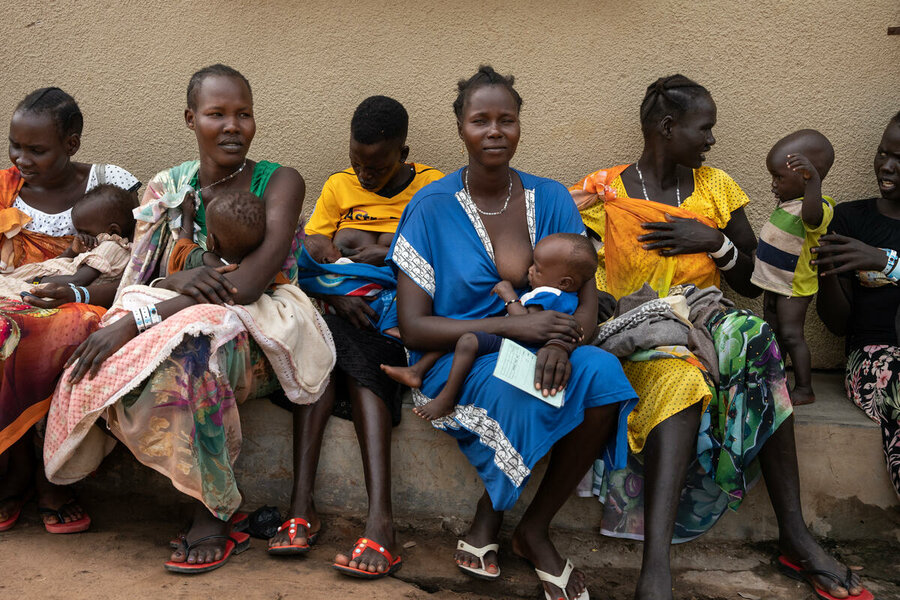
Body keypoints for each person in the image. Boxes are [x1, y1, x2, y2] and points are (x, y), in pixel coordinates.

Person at [571, 74, 869, 600]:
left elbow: (751, 280)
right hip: (637, 324)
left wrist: (714, 242)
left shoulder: (716, 188)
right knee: (680, 377)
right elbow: (571, 266)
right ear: (668, 127)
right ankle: (655, 570)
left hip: (706, 314)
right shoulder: (604, 191)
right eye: (704, 128)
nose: (712, 140)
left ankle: (795, 536)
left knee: (758, 340)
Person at [41, 64, 335, 574]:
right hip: (176, 312)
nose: (232, 126)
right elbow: (143, 274)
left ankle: (213, 513)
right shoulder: (166, 189)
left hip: (264, 324)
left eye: (243, 114)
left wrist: (151, 311)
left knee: (192, 359)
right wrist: (176, 284)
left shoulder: (280, 181)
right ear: (190, 118)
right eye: (216, 113)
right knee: (104, 354)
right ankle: (54, 486)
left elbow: (247, 286)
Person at [391, 65, 637, 600]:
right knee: (517, 391)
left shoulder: (550, 199)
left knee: (604, 373)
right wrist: (511, 325)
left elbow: (585, 295)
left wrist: (561, 342)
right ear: (461, 128)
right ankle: (490, 516)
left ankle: (534, 527)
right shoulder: (429, 209)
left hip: (545, 343)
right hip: (461, 359)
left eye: (507, 119)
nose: (495, 130)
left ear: (520, 125)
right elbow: (414, 325)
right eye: (481, 120)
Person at [268, 96, 442, 574]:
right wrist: (337, 291)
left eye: (378, 167)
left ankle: (380, 521)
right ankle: (301, 504)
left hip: (394, 311)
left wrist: (387, 256)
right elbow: (314, 248)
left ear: (403, 153)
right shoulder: (338, 187)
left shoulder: (432, 187)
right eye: (357, 162)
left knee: (360, 358)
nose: (364, 176)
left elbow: (441, 258)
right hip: (340, 301)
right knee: (319, 353)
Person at [0, 87, 139, 535]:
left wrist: (80, 291)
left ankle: (49, 477)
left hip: (88, 298)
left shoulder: (109, 182)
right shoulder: (5, 191)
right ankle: (15, 468)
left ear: (72, 144)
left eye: (36, 150)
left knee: (67, 330)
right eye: (15, 146)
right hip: (21, 295)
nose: (21, 159)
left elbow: (141, 253)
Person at [382, 232, 598, 421]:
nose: (530, 271)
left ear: (565, 282)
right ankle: (416, 370)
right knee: (457, 336)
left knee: (467, 340)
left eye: (538, 270)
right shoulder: (565, 295)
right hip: (517, 336)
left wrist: (509, 295)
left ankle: (446, 398)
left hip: (524, 345)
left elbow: (526, 324)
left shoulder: (550, 295)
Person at [815, 111, 900, 502]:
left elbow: (883, 261)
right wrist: (828, 274)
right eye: (883, 152)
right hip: (873, 359)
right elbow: (837, 325)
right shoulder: (849, 219)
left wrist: (885, 261)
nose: (887, 165)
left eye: (899, 158)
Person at [751, 130, 836, 405]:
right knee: (772, 329)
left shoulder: (816, 207)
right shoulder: (790, 202)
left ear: (807, 175)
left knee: (791, 333)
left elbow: (812, 221)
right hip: (774, 281)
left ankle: (804, 387)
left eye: (778, 177)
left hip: (793, 285)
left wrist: (814, 185)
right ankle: (775, 379)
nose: (773, 184)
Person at [2, 183, 136, 298]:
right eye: (78, 231)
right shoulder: (97, 245)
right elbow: (61, 262)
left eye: (86, 232)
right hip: (40, 278)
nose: (80, 236)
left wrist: (37, 281)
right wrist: (72, 251)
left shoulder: (111, 248)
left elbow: (77, 281)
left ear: (113, 231)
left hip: (48, 287)